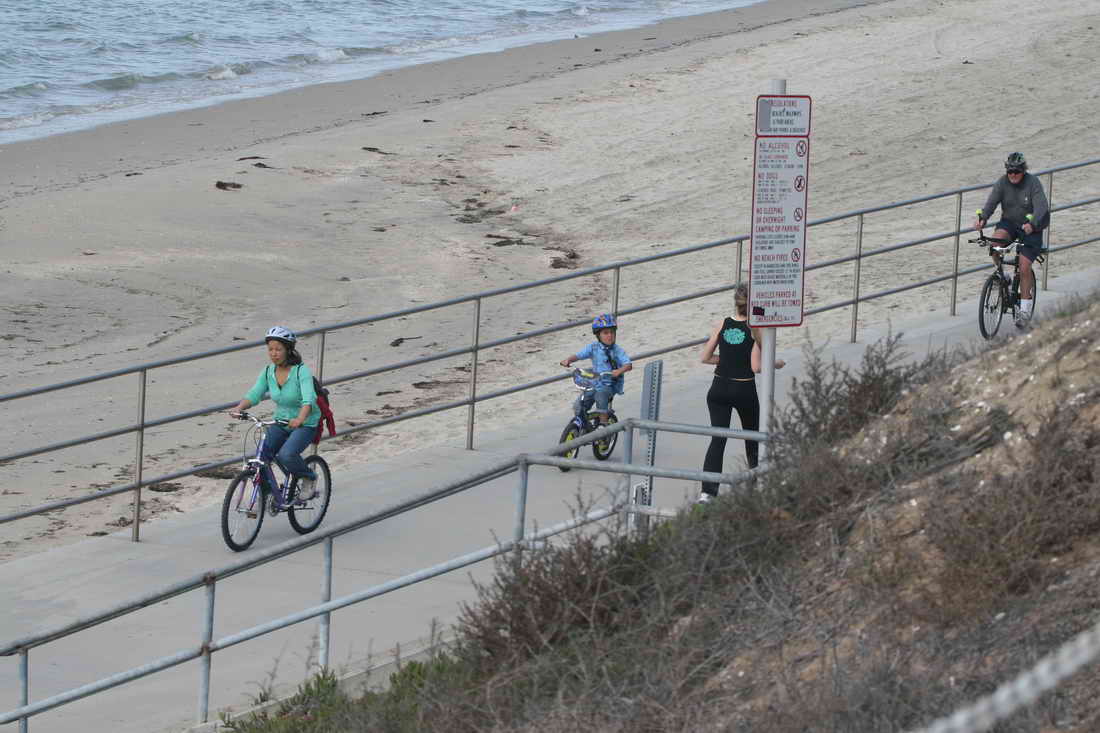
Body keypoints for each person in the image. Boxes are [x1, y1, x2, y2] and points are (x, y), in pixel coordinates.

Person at [697, 283, 784, 503]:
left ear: (736, 303)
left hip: (718, 388)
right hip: (743, 388)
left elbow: (705, 357)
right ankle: (755, 490)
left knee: (718, 440)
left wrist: (727, 360)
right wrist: (776, 363)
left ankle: (707, 494)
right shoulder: (756, 329)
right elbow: (756, 366)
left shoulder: (722, 323)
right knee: (752, 438)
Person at [231, 326, 320, 504]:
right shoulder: (268, 372)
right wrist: (239, 408)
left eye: (278, 349)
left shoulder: (300, 371)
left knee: (286, 455)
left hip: (305, 423)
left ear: (288, 350)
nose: (274, 353)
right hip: (281, 421)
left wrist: (300, 419)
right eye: (270, 349)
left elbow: (309, 399)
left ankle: (309, 477)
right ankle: (267, 493)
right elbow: (255, 393)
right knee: (261, 455)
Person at [973, 152, 1050, 327]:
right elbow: (991, 203)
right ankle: (1004, 277)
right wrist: (982, 218)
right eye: (1010, 171)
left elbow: (1042, 207)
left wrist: (1032, 223)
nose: (1013, 175)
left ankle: (1024, 309)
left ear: (1023, 170)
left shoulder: (1033, 183)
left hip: (1031, 228)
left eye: (1016, 171)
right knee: (994, 244)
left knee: (1024, 267)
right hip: (1009, 223)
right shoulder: (1002, 182)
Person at [559, 313, 633, 424]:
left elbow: (628, 365)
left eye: (612, 332)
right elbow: (579, 355)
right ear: (598, 335)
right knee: (579, 405)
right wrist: (569, 360)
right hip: (594, 382)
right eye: (605, 333)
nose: (610, 336)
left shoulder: (617, 350)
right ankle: (583, 426)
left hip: (609, 384)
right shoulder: (593, 347)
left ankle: (604, 425)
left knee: (600, 395)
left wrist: (619, 371)